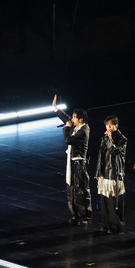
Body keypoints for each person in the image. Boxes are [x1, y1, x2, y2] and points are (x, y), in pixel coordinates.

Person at [53, 94, 91, 226]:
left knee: (80, 189)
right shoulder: (77, 126)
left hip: (79, 162)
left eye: (75, 117)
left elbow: (68, 140)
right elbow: (67, 118)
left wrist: (66, 128)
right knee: (72, 189)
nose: (72, 119)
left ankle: (84, 215)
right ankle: (75, 214)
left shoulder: (83, 130)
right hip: (72, 161)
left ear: (80, 119)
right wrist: (56, 108)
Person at [95, 115, 127, 234]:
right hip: (104, 173)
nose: (109, 127)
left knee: (113, 202)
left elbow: (114, 151)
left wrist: (109, 138)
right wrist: (98, 172)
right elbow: (100, 154)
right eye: (107, 125)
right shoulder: (106, 137)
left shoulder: (122, 139)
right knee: (104, 201)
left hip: (113, 173)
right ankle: (106, 223)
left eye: (111, 125)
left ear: (116, 125)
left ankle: (116, 225)